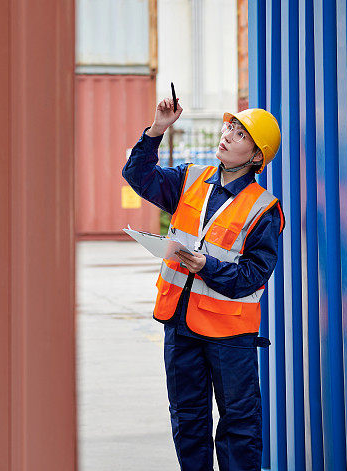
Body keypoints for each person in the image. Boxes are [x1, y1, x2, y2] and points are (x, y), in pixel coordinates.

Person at [122, 96, 285, 471]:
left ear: (256, 157)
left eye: (241, 134)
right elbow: (139, 176)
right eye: (230, 127)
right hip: (181, 326)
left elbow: (253, 276)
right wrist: (157, 129)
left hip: (229, 336)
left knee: (239, 428)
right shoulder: (191, 179)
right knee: (188, 422)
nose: (228, 135)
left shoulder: (264, 209)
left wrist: (206, 266)